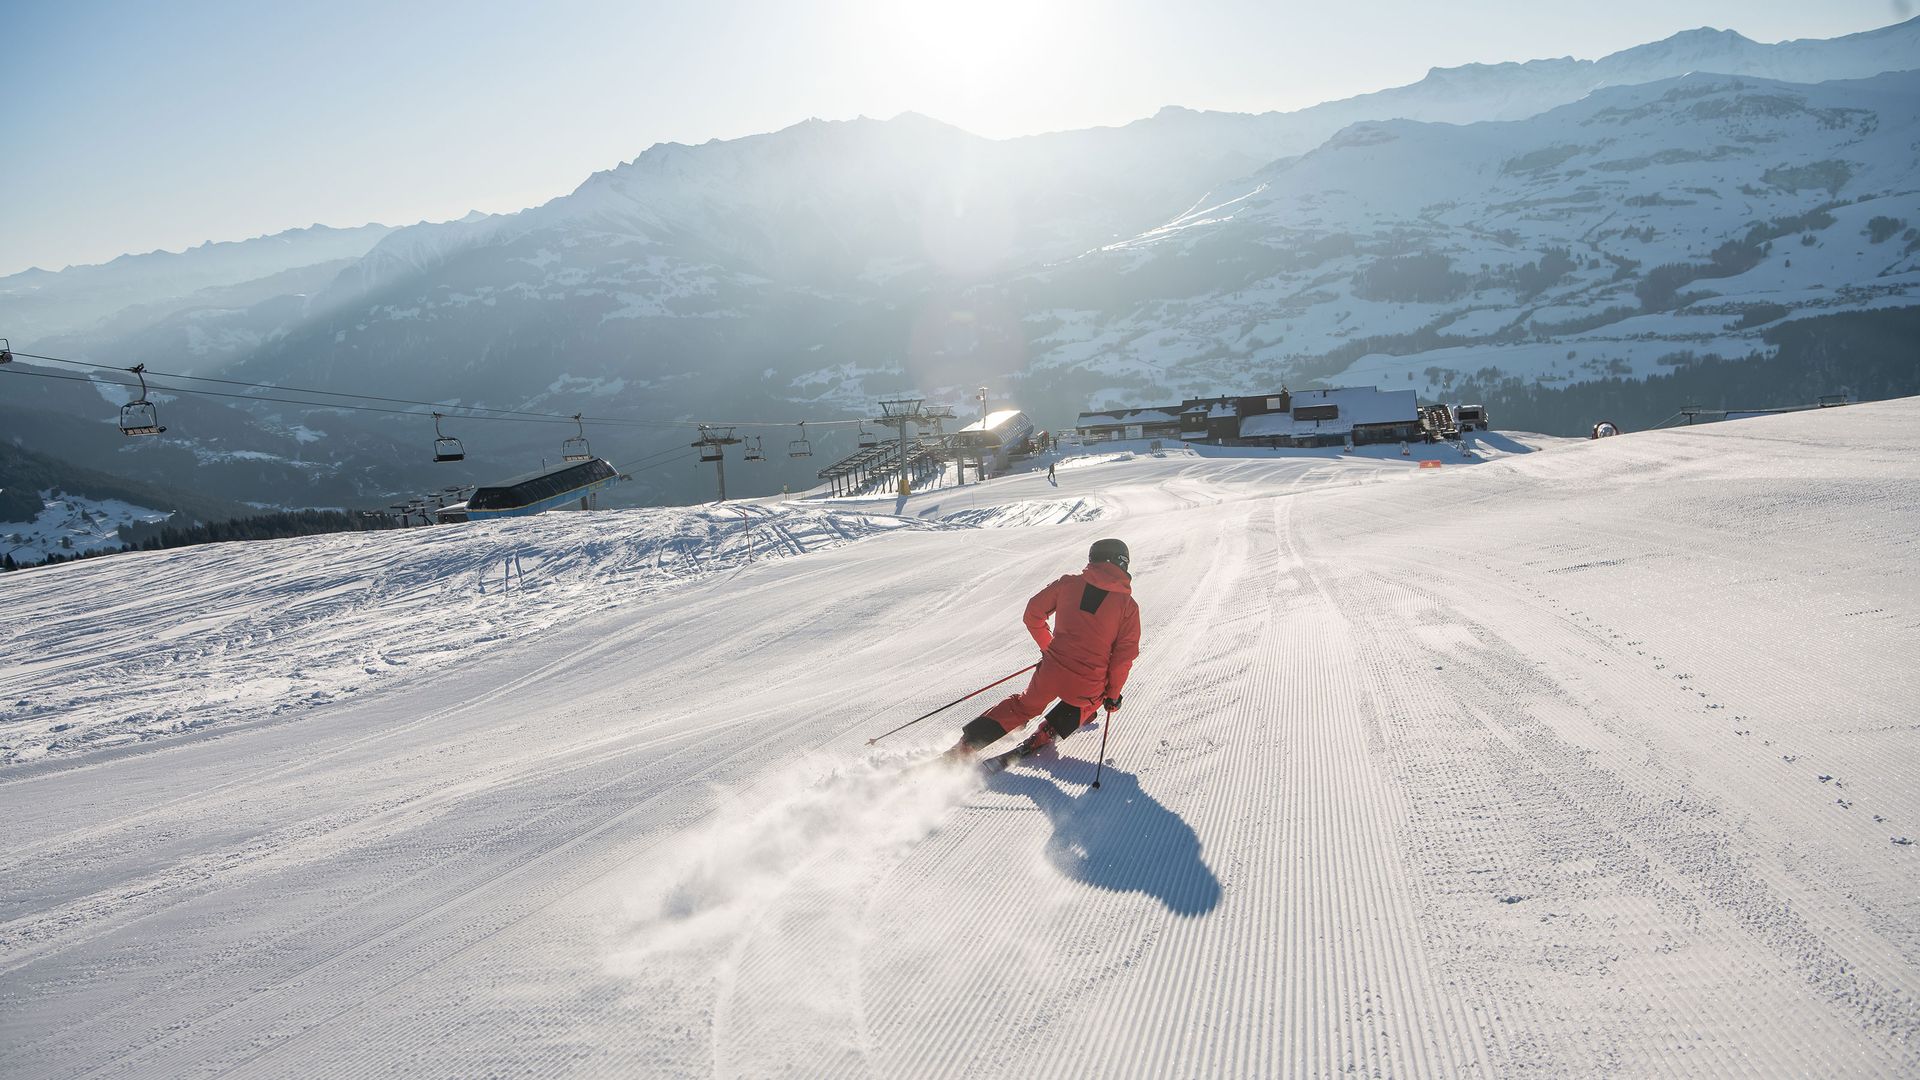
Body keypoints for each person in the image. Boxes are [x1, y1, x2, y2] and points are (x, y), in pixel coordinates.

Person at [947, 538, 1141, 762]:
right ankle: (1048, 731)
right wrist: (1113, 696)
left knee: (1023, 706)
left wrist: (1049, 648)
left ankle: (967, 744)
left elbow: (1033, 614)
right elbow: (1122, 659)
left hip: (1050, 673)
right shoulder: (1128, 606)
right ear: (1123, 563)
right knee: (1097, 699)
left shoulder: (1068, 583)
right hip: (1087, 686)